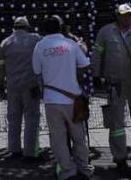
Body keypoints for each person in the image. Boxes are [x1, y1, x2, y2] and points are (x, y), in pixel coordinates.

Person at [93, 3, 131, 174]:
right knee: (116, 124)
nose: (127, 18)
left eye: (129, 15)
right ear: (117, 16)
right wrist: (96, 75)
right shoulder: (105, 32)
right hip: (115, 84)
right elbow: (97, 53)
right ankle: (120, 158)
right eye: (123, 15)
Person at [32, 15, 93, 180]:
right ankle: (84, 169)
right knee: (79, 137)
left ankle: (67, 172)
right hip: (73, 99)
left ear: (44, 30)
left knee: (58, 140)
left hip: (51, 100)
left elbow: (36, 70)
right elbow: (86, 64)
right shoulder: (71, 44)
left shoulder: (40, 46)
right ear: (60, 28)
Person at [0, 16, 42, 161]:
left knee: (14, 117)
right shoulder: (36, 39)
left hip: (12, 86)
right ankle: (30, 151)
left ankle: (14, 149)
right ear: (27, 27)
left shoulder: (6, 42)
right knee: (32, 118)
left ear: (14, 27)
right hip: (31, 85)